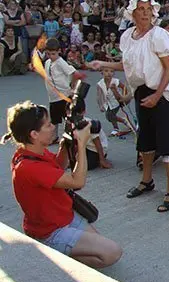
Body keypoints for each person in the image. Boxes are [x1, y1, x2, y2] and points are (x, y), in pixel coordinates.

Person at [89, 0, 169, 213]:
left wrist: (158, 95)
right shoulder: (128, 36)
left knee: (167, 143)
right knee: (146, 140)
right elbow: (128, 64)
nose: (146, 12)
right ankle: (147, 180)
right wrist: (103, 63)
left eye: (149, 8)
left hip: (161, 93)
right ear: (133, 12)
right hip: (141, 92)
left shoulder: (159, 36)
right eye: (141, 9)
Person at [5, 101, 122, 268]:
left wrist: (66, 144)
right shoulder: (28, 167)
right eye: (48, 125)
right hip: (50, 231)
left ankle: (63, 251)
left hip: (64, 216)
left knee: (101, 245)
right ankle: (53, 254)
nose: (53, 127)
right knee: (112, 252)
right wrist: (81, 144)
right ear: (34, 134)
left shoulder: (31, 152)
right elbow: (77, 181)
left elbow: (58, 167)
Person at [44, 37, 85, 141]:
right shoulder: (47, 63)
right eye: (48, 54)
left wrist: (72, 86)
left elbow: (73, 73)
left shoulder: (60, 62)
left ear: (59, 51)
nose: (51, 56)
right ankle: (54, 137)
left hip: (63, 95)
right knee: (54, 119)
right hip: (53, 96)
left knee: (68, 118)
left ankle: (72, 135)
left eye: (53, 54)